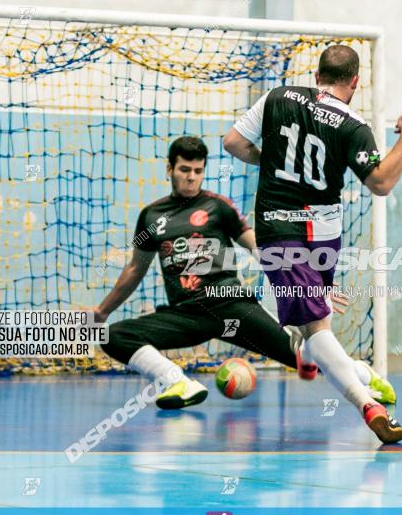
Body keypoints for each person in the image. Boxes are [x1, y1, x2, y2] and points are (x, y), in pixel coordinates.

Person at [223, 45, 402, 443]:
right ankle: (349, 374)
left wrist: (275, 162)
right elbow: (381, 182)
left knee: (314, 329)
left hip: (280, 226)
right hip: (324, 232)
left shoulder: (278, 97)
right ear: (355, 82)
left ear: (316, 75)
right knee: (317, 326)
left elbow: (233, 144)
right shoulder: (353, 124)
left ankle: (367, 403)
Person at [94, 136, 323, 409]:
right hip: (187, 314)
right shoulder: (152, 216)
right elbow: (135, 269)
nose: (192, 178)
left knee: (307, 360)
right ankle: (176, 382)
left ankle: (364, 379)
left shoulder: (218, 206)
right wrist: (102, 311)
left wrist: (306, 282)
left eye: (198, 171)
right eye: (184, 170)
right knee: (113, 335)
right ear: (170, 170)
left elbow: (257, 248)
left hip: (232, 306)